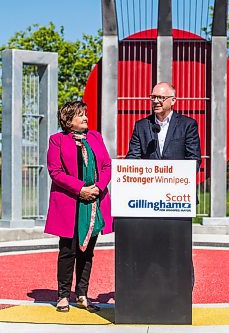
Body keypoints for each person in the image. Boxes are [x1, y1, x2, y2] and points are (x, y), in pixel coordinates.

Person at [125, 82, 201, 287]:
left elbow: (194, 160)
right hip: (147, 200)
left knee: (177, 246)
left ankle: (183, 289)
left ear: (173, 101)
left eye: (161, 97)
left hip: (177, 199)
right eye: (153, 97)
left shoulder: (188, 125)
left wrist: (171, 181)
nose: (156, 101)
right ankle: (151, 288)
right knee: (149, 246)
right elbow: (132, 158)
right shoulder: (141, 126)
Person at [45, 101, 113, 313]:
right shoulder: (56, 140)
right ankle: (63, 296)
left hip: (94, 202)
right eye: (80, 115)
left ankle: (82, 294)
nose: (85, 118)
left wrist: (98, 188)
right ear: (68, 120)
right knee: (68, 251)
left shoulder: (96, 137)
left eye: (85, 114)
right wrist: (81, 188)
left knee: (87, 252)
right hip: (69, 204)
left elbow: (106, 165)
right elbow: (55, 172)